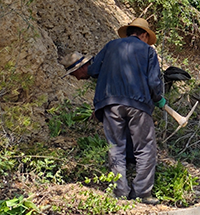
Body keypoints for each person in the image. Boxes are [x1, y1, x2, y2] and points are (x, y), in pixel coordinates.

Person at [70, 17, 164, 203]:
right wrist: (158, 98)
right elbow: (154, 82)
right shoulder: (148, 51)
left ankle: (120, 192)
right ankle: (142, 193)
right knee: (145, 148)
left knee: (116, 147)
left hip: (110, 103)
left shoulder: (111, 46)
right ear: (144, 35)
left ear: (129, 32)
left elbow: (93, 70)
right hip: (138, 104)